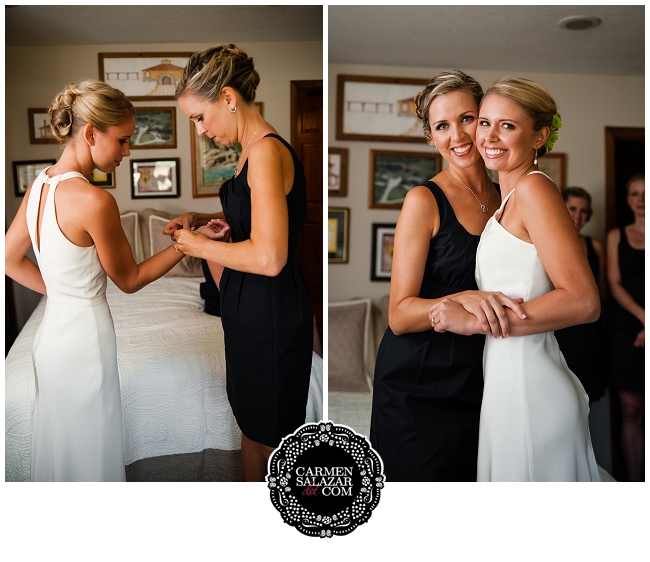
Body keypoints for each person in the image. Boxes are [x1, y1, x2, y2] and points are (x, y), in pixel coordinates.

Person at [5, 80, 186, 481]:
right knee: (92, 447)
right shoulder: (95, 200)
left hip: (51, 337)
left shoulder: (39, 186)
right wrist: (186, 245)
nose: (127, 151)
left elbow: (7, 259)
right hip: (85, 340)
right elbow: (131, 279)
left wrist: (64, 292)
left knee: (63, 444)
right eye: (122, 141)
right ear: (90, 133)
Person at [429, 77, 601, 481]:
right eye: (484, 122)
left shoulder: (533, 190)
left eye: (508, 125)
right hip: (505, 384)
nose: (489, 135)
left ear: (540, 135)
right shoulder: (507, 200)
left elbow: (583, 301)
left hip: (531, 389)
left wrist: (472, 321)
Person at [163, 44, 313, 482]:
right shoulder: (249, 152)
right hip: (248, 312)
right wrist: (203, 221)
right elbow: (257, 223)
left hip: (271, 314)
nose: (199, 130)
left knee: (273, 438)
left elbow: (270, 256)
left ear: (228, 98)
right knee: (254, 427)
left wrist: (198, 247)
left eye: (199, 117)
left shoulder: (266, 152)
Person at [369, 70, 527, 482]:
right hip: (417, 381)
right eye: (442, 126)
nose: (458, 135)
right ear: (430, 137)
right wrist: (461, 299)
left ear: (485, 121)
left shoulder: (507, 197)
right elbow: (399, 315)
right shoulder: (423, 200)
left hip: (480, 376)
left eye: (467, 118)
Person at [606, 174, 644, 481]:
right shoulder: (616, 235)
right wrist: (645, 319)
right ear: (628, 199)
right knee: (631, 410)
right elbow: (614, 284)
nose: (641, 199)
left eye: (646, 193)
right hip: (626, 330)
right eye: (635, 193)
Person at [554, 187, 607, 401]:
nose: (578, 216)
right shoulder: (550, 244)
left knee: (585, 399)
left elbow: (603, 291)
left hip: (589, 333)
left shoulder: (595, 246)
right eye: (573, 208)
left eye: (584, 211)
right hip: (558, 330)